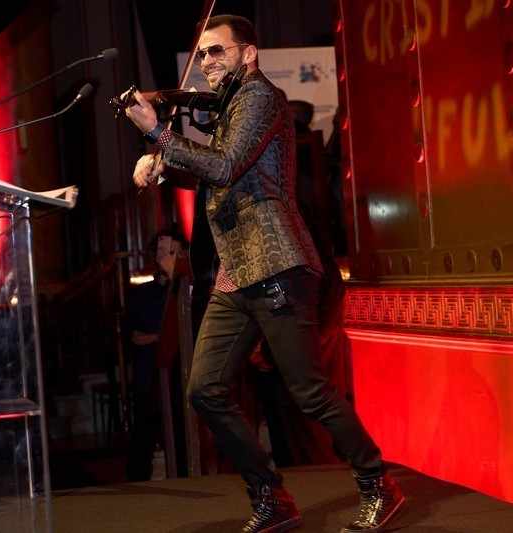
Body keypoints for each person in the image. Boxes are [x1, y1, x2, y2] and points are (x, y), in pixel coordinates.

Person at [123, 14, 406, 533]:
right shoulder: (230, 105)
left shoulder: (259, 97)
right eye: (202, 54)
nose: (207, 62)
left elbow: (225, 165)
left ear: (248, 53)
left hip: (277, 262)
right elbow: (214, 176)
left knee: (309, 390)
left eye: (217, 51)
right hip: (237, 270)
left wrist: (158, 133)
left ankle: (379, 484)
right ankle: (271, 497)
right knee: (205, 389)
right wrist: (160, 165)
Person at [122, 227, 188, 481]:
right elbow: (130, 335)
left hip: (181, 377)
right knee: (142, 438)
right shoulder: (144, 294)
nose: (166, 257)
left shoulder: (186, 290)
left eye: (173, 252)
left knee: (182, 436)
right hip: (149, 377)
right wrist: (147, 338)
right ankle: (136, 488)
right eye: (162, 252)